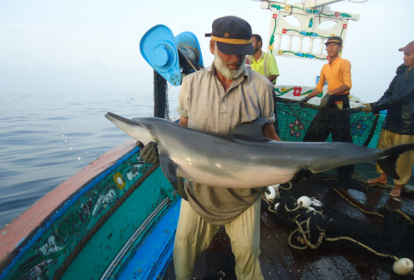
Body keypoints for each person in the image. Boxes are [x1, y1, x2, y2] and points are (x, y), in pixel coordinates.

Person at [141, 16, 280, 279]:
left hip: (244, 191)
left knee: (249, 256)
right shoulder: (191, 85)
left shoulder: (262, 88)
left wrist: (297, 165)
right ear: (213, 47)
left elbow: (270, 135)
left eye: (242, 53)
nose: (235, 60)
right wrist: (159, 149)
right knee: (183, 247)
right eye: (229, 51)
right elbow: (181, 131)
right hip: (198, 188)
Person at [362, 41, 414, 197]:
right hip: (391, 118)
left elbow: (403, 96)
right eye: (404, 54)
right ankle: (382, 176)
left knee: (404, 155)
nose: (404, 57)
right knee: (383, 148)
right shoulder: (401, 71)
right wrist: (376, 106)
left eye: (408, 54)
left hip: (407, 121)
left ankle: (399, 184)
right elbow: (389, 92)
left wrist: (374, 106)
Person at [299, 36, 354, 181]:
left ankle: (345, 173)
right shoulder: (325, 67)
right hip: (328, 102)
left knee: (341, 138)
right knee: (314, 133)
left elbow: (347, 85)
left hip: (340, 102)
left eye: (334, 45)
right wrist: (307, 97)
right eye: (329, 46)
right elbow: (319, 87)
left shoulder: (344, 63)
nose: (331, 48)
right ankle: (308, 166)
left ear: (340, 48)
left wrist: (329, 94)